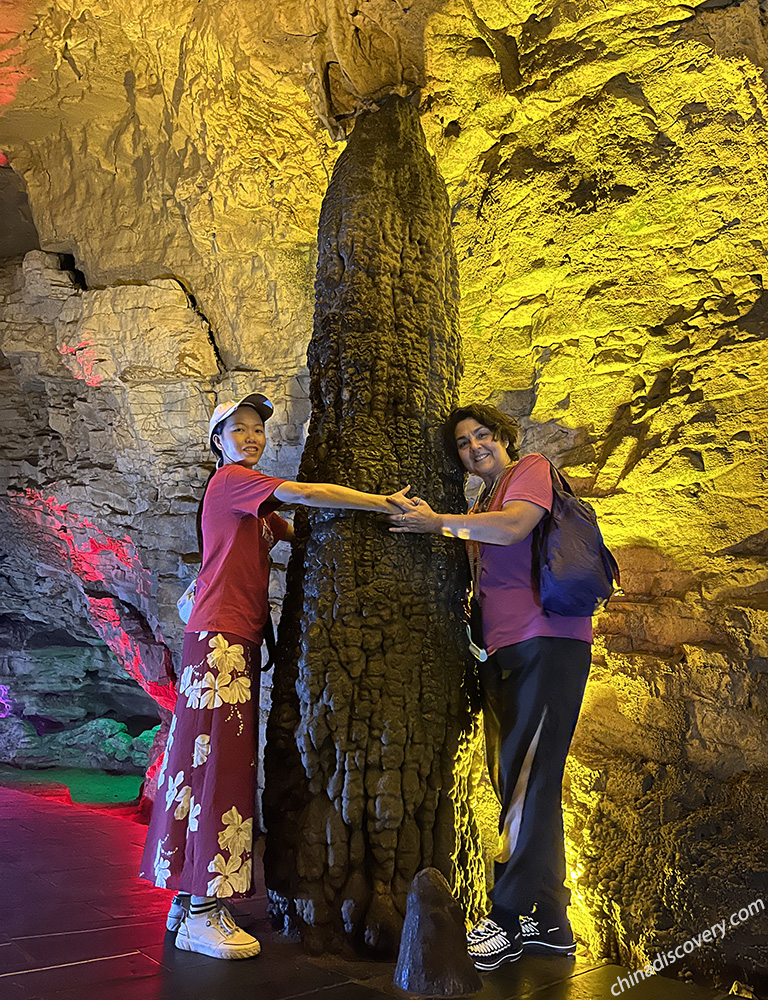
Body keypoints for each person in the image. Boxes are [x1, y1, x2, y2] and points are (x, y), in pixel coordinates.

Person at [139, 392, 410, 960]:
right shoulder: (233, 483)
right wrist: (377, 502)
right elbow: (306, 495)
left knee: (199, 764)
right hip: (220, 642)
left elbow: (298, 528)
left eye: (258, 428)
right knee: (220, 768)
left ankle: (185, 898)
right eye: (238, 428)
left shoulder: (254, 506)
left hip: (226, 640)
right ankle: (203, 912)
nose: (253, 436)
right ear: (218, 441)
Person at [386, 403, 592, 972]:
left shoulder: (529, 470)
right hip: (505, 649)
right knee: (519, 781)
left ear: (504, 438)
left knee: (527, 777)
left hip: (549, 641)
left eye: (482, 435)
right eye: (462, 443)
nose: (474, 446)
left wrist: (437, 523)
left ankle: (504, 921)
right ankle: (550, 924)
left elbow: (517, 526)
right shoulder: (481, 501)